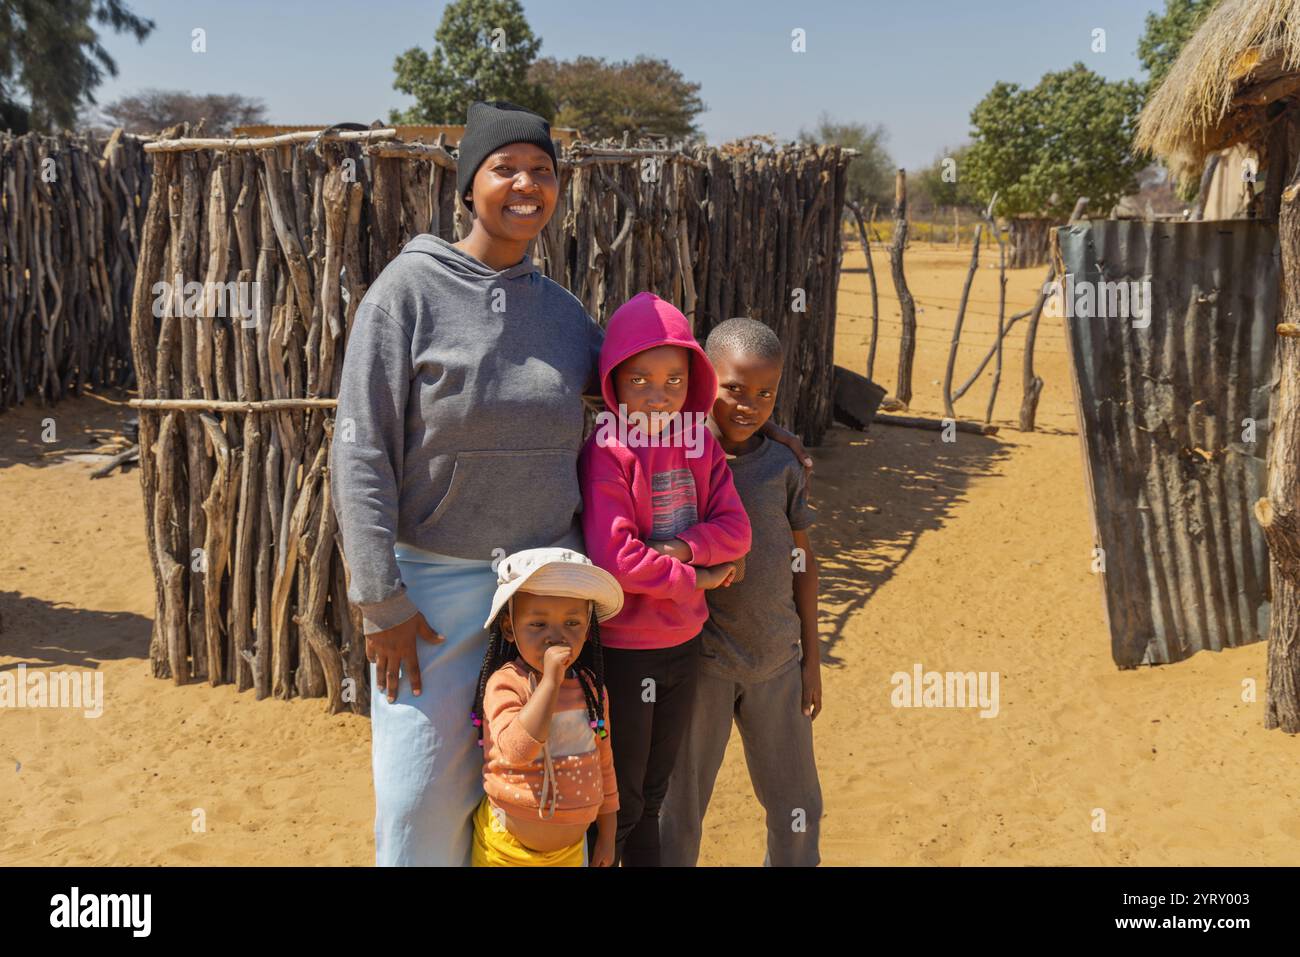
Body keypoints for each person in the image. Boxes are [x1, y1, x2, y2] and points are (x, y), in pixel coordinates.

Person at [331, 100, 603, 866]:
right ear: (468, 185)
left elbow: (646, 391)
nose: (527, 184)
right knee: (420, 805)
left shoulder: (561, 313)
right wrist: (379, 597)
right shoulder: (406, 294)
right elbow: (359, 449)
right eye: (505, 167)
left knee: (541, 796)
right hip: (434, 598)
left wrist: (747, 429)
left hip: (547, 598)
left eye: (543, 171)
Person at [578, 292, 752, 866]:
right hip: (627, 651)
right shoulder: (609, 451)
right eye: (640, 380)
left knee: (654, 794)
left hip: (683, 644)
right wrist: (700, 579)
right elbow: (617, 561)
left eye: (674, 381)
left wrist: (678, 546)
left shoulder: (699, 445)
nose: (658, 396)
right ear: (613, 382)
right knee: (620, 800)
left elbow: (736, 530)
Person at [660, 317, 824, 867]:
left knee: (798, 809)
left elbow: (803, 563)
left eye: (765, 393)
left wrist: (812, 662)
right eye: (733, 388)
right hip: (701, 664)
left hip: (778, 661)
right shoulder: (677, 454)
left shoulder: (783, 464)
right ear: (705, 377)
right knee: (678, 813)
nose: (748, 405)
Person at [470, 547, 623, 867]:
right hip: (506, 852)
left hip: (569, 854)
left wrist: (607, 836)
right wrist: (550, 684)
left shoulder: (592, 691)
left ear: (587, 628)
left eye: (572, 622)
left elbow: (604, 763)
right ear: (510, 628)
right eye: (538, 624)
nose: (556, 637)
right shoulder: (507, 683)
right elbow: (517, 750)